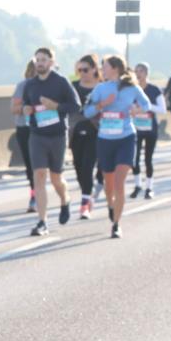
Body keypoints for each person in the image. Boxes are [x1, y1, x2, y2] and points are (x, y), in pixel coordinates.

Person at [83, 55, 151, 238]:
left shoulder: (132, 88)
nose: (101, 70)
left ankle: (116, 224)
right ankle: (110, 205)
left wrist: (137, 110)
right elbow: (87, 112)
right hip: (105, 139)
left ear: (115, 68)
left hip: (126, 137)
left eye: (104, 66)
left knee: (119, 183)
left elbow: (147, 104)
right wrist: (102, 105)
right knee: (109, 183)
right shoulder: (101, 88)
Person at [21, 47, 80, 236]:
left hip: (57, 136)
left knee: (56, 178)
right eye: (37, 59)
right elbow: (25, 104)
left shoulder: (61, 82)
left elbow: (76, 105)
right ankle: (42, 221)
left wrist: (56, 106)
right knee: (39, 175)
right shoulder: (30, 85)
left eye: (44, 59)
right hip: (37, 135)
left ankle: (65, 199)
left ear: (51, 62)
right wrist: (26, 109)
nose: (40, 63)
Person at [70, 54, 102, 219]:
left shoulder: (102, 86)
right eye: (79, 69)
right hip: (76, 131)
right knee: (78, 167)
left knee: (88, 166)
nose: (82, 73)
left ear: (95, 69)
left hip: (97, 131)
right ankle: (87, 194)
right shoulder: (73, 86)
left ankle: (84, 205)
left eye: (86, 69)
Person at [130, 62, 166, 199]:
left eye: (140, 71)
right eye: (136, 71)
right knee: (134, 158)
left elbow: (162, 109)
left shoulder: (154, 90)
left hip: (150, 128)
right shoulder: (132, 89)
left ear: (146, 73)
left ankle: (149, 188)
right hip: (136, 128)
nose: (138, 74)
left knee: (148, 159)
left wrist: (147, 107)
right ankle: (137, 185)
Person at [11, 60, 37, 213]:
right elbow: (13, 108)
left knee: (43, 166)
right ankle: (34, 195)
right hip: (25, 128)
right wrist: (26, 108)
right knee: (31, 165)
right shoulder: (23, 86)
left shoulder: (53, 85)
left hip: (45, 128)